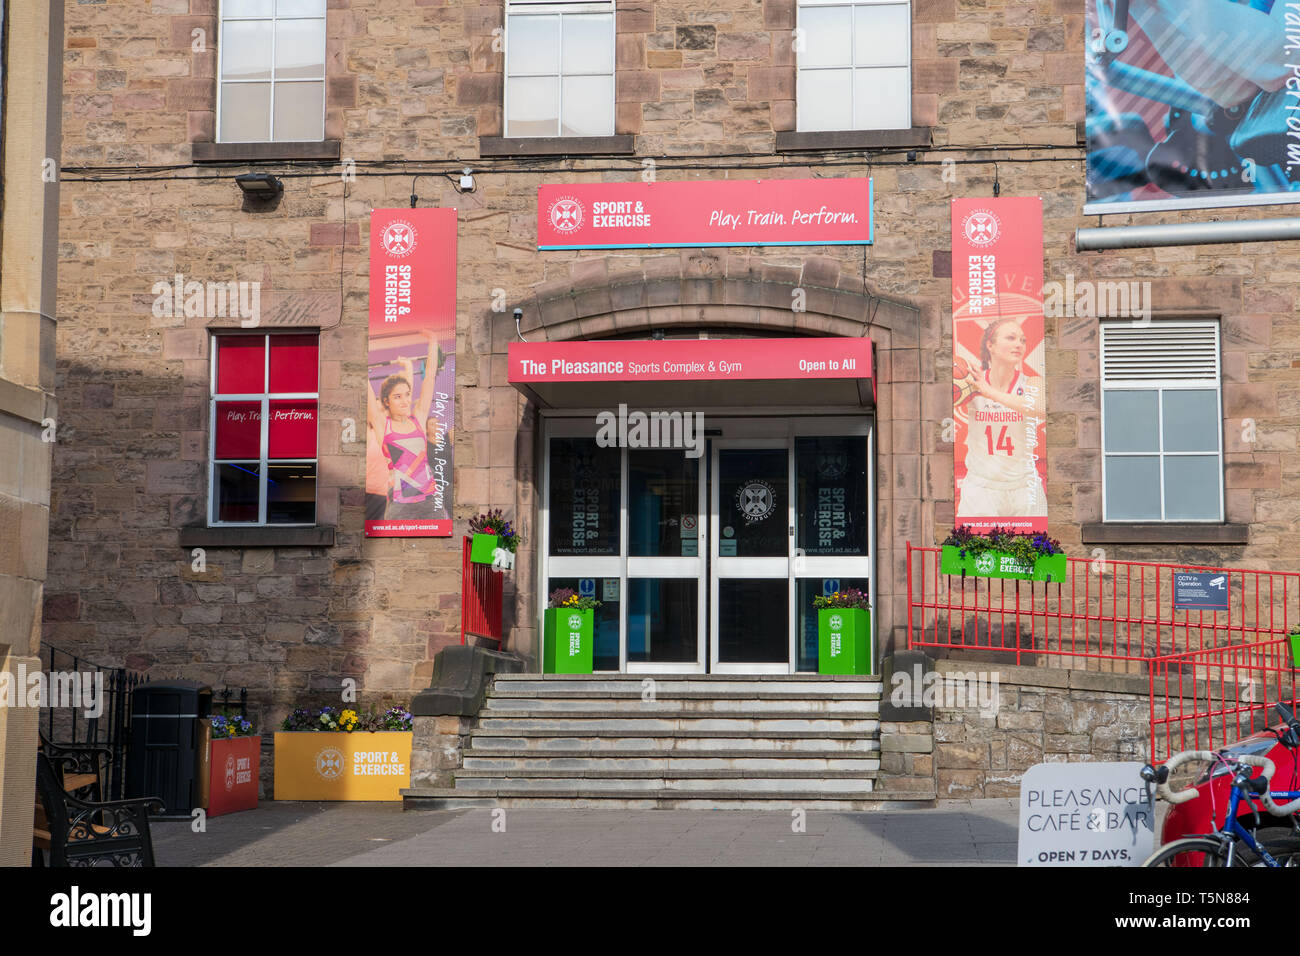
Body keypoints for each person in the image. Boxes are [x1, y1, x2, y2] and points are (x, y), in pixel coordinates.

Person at [954, 317, 1048, 520]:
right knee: (973, 551)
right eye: (1011, 338)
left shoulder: (1032, 383)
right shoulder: (970, 382)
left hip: (1025, 486)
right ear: (991, 345)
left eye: (1022, 340)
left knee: (1037, 550)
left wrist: (990, 393)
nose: (1019, 344)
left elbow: (1041, 409)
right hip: (982, 487)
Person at [366, 330, 445, 520]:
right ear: (386, 401)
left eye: (407, 395)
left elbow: (429, 379)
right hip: (399, 506)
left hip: (430, 502)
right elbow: (365, 388)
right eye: (397, 396)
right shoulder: (381, 425)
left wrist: (433, 342)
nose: (404, 401)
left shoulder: (418, 417)